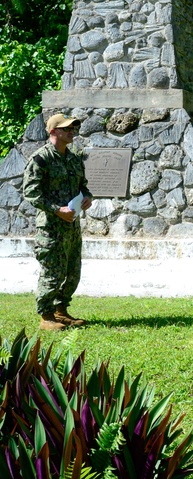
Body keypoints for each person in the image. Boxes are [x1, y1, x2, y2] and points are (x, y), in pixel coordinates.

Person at [22, 113, 93, 331]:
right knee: (52, 271)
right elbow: (31, 192)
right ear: (53, 131)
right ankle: (46, 316)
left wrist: (87, 196)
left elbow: (83, 184)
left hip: (72, 224)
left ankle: (61, 311)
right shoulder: (41, 159)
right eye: (67, 129)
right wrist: (56, 209)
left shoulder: (73, 158)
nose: (72, 132)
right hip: (51, 226)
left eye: (73, 129)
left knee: (72, 270)